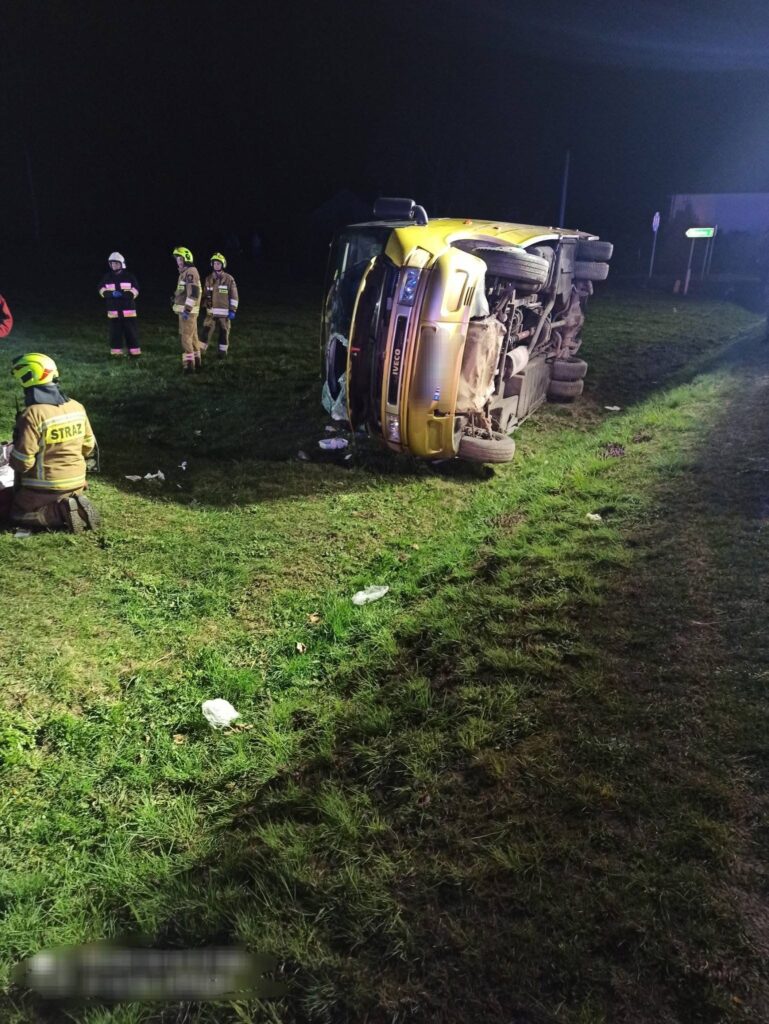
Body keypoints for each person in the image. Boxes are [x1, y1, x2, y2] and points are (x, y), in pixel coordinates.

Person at [5, 353, 100, 532]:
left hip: (45, 487)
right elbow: (89, 446)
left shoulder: (32, 414)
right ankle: (74, 502)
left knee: (16, 514)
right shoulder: (77, 407)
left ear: (27, 378)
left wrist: (12, 458)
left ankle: (58, 512)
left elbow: (23, 462)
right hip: (78, 481)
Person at [98, 252, 141, 358]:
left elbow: (135, 290)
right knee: (115, 335)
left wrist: (123, 295)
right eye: (112, 263)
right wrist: (110, 294)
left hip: (128, 312)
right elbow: (101, 290)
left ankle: (135, 354)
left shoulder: (129, 276)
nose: (114, 265)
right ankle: (116, 355)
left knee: (131, 334)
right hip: (114, 313)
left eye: (116, 263)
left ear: (122, 264)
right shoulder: (107, 277)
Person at [201, 252, 239, 358]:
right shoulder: (208, 279)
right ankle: (200, 352)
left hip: (224, 314)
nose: (216, 265)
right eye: (214, 263)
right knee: (205, 332)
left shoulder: (229, 279)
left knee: (223, 333)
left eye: (218, 263)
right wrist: (204, 305)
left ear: (223, 265)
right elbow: (205, 295)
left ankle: (222, 354)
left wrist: (233, 310)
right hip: (211, 313)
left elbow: (234, 296)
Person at [171, 246, 203, 373]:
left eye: (180, 258)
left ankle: (189, 366)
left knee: (186, 339)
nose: (178, 261)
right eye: (177, 259)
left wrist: (187, 310)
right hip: (187, 311)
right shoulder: (185, 273)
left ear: (186, 259)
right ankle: (197, 363)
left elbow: (193, 293)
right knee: (193, 338)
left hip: (188, 312)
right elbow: (184, 292)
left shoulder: (190, 272)